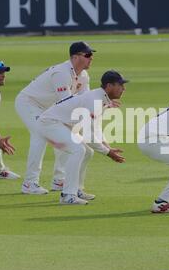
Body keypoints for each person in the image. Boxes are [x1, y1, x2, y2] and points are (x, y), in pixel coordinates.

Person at [36, 70, 127, 205]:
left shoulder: (101, 99)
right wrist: (108, 153)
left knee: (87, 151)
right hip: (49, 123)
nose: (123, 89)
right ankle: (68, 195)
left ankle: (76, 189)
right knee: (78, 150)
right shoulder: (95, 99)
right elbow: (88, 135)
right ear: (109, 86)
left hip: (62, 124)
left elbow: (95, 127)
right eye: (120, 85)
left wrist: (108, 147)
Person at [15, 42, 94, 195]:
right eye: (88, 55)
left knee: (67, 138)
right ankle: (29, 183)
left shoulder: (83, 75)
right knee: (40, 135)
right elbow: (68, 104)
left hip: (51, 108)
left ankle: (60, 180)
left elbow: (85, 100)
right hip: (30, 103)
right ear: (75, 57)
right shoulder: (61, 73)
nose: (91, 58)